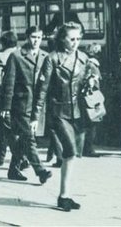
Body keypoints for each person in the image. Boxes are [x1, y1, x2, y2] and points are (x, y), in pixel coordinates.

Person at [36, 22, 100, 212]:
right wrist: (35, 116)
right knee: (70, 152)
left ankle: (65, 196)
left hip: (79, 113)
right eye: (72, 39)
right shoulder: (52, 59)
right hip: (59, 112)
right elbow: (42, 89)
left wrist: (93, 79)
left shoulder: (83, 57)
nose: (75, 43)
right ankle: (64, 196)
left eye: (78, 39)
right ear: (62, 38)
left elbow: (94, 76)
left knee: (72, 156)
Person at [0, 26, 53, 185]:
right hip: (21, 104)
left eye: (39, 37)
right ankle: (41, 171)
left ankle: (13, 169)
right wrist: (6, 107)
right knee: (29, 138)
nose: (36, 41)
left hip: (37, 105)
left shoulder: (45, 56)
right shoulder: (16, 56)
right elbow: (9, 83)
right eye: (33, 37)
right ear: (27, 37)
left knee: (24, 138)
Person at [0, 30, 19, 166]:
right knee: (10, 127)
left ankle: (11, 157)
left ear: (3, 43)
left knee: (5, 127)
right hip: (21, 97)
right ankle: (0, 157)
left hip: (5, 98)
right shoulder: (22, 54)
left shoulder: (0, 57)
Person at [80, 43, 103, 157]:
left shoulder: (87, 63)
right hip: (91, 100)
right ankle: (88, 149)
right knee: (92, 124)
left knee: (87, 124)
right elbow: (92, 83)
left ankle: (85, 148)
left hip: (86, 99)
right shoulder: (93, 66)